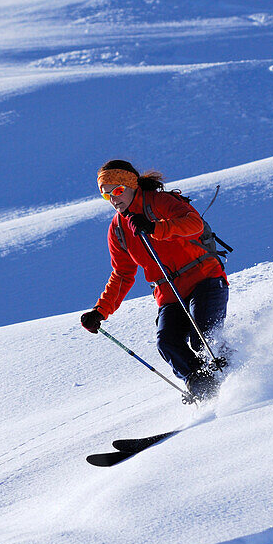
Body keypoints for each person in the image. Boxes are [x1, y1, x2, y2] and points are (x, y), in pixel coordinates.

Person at [80, 160, 229, 400]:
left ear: (131, 185)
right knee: (167, 343)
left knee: (203, 338)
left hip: (205, 279)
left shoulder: (160, 202)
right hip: (169, 294)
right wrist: (100, 311)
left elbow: (194, 224)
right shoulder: (118, 229)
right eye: (106, 195)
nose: (113, 199)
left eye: (117, 191)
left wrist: (154, 227)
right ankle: (204, 388)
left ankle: (235, 371)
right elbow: (122, 274)